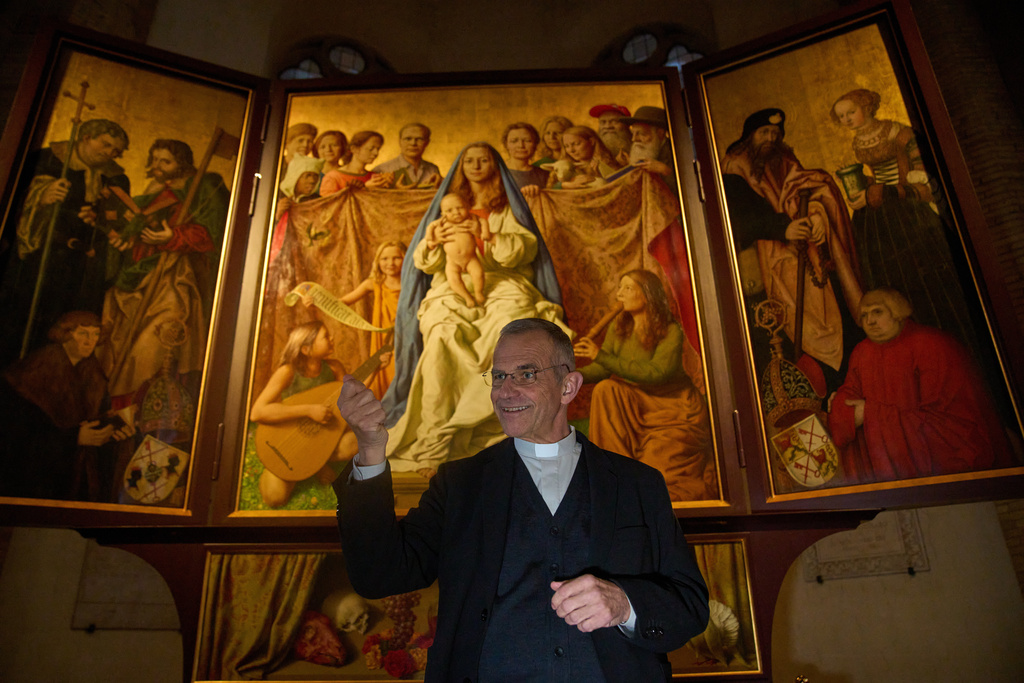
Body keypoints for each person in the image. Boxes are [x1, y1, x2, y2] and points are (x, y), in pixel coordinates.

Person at [334, 317, 710, 682]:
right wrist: (370, 449)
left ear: (568, 386)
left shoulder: (638, 484)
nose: (505, 391)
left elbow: (690, 606)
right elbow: (379, 575)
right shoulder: (459, 485)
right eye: (499, 376)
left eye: (526, 375)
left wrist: (624, 604)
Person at [382, 142, 567, 477]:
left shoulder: (506, 209)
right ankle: (437, 437)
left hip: (502, 282)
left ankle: (496, 431)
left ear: (495, 166)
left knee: (509, 330)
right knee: (441, 334)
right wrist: (434, 242)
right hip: (451, 285)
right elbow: (425, 263)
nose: (477, 165)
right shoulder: (447, 209)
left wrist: (490, 236)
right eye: (470, 160)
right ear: (461, 166)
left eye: (484, 160)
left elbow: (523, 252)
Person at [721, 107, 862, 395]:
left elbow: (809, 192)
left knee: (837, 311)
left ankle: (847, 384)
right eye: (764, 132)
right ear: (749, 136)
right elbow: (738, 221)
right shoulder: (735, 168)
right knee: (783, 339)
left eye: (776, 133)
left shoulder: (785, 161)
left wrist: (817, 216)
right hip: (764, 264)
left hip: (809, 257)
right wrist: (783, 229)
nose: (770, 139)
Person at [830, 88, 976, 350]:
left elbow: (924, 182)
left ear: (867, 107)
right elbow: (877, 176)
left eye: (851, 112)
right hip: (876, 217)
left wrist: (884, 191)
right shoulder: (858, 141)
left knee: (923, 280)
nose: (847, 119)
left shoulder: (899, 133)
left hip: (907, 211)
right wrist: (864, 185)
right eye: (841, 116)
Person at [827, 288, 1015, 484]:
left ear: (897, 312)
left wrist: (869, 413)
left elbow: (952, 427)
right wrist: (842, 405)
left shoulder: (934, 345)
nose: (870, 321)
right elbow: (849, 394)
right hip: (887, 474)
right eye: (864, 315)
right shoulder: (862, 352)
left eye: (877, 312)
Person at [98, 138, 230, 405]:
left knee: (159, 335)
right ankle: (118, 402)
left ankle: (143, 400)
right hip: (143, 270)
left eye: (165, 161)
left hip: (177, 274)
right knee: (122, 329)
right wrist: (125, 235)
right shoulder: (157, 189)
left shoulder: (205, 185)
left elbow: (215, 232)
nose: (157, 165)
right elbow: (134, 222)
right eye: (155, 159)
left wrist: (174, 237)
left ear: (182, 163)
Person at [573, 270, 715, 501]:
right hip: (637, 403)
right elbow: (603, 369)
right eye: (620, 287)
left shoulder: (670, 331)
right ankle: (615, 475)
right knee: (605, 389)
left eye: (628, 288)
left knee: (658, 474)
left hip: (674, 408)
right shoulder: (619, 327)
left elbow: (657, 373)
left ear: (648, 294)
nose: (619, 294)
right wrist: (571, 376)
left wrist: (600, 355)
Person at [0, 119, 130, 360]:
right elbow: (10, 197)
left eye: (115, 151)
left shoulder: (116, 179)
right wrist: (41, 195)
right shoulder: (46, 159)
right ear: (86, 137)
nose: (109, 153)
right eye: (105, 144)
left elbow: (120, 219)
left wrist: (101, 220)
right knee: (25, 316)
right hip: (41, 257)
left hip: (85, 267)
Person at [0, 311, 134, 501]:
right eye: (83, 333)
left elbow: (97, 418)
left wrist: (115, 430)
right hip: (38, 479)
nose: (90, 341)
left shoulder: (93, 373)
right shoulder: (35, 370)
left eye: (95, 334)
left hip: (76, 475)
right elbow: (20, 434)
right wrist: (74, 438)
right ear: (65, 335)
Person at [250, 320, 349, 507]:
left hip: (321, 437)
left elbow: (350, 396)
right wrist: (308, 410)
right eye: (325, 336)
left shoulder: (334, 368)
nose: (331, 339)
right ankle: (310, 467)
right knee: (275, 497)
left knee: (356, 441)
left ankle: (316, 465)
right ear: (306, 349)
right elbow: (257, 412)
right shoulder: (288, 372)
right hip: (290, 439)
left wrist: (376, 367)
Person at [325, 239, 405, 399]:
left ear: (405, 258)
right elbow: (342, 302)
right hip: (384, 340)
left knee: (404, 371)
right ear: (378, 261)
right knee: (386, 370)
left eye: (396, 258)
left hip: (406, 335)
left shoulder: (411, 283)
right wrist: (315, 300)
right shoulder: (375, 283)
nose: (390, 263)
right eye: (385, 258)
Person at [424, 193, 490, 307]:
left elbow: (483, 221)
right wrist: (430, 237)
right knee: (453, 280)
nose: (456, 212)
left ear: (467, 207)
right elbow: (430, 226)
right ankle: (467, 297)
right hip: (452, 261)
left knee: (478, 274)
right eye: (449, 210)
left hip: (471, 258)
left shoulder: (471, 218)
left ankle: (478, 293)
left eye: (460, 208)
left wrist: (485, 232)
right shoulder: (442, 222)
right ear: (443, 214)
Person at [619, 106, 675, 190]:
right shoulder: (643, 148)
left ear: (660, 133)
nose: (634, 139)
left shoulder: (675, 152)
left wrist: (665, 170)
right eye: (633, 133)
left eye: (642, 134)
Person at [319, 130, 391, 195]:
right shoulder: (333, 177)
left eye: (378, 149)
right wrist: (365, 188)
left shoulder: (374, 177)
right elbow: (329, 204)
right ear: (354, 149)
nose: (376, 153)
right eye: (371, 149)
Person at [371, 122, 441, 188]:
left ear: (427, 142)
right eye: (408, 139)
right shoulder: (382, 169)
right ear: (400, 141)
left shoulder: (432, 169)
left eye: (419, 139)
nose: (413, 143)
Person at [555, 125, 621, 188]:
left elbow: (618, 185)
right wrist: (565, 185)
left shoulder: (605, 163)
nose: (571, 150)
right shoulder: (564, 166)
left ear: (591, 141)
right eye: (566, 146)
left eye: (576, 144)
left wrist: (598, 176)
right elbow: (551, 187)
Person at [500, 122, 550, 197]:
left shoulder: (544, 175)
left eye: (527, 140)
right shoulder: (497, 172)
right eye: (514, 141)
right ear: (506, 145)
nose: (521, 145)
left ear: (535, 144)